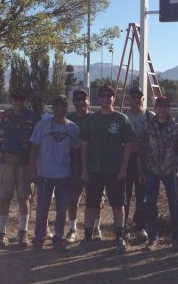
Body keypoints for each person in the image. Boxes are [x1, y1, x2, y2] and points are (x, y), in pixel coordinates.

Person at [76, 85, 135, 255]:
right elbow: (85, 145)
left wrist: (124, 167)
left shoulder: (122, 119)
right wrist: (84, 168)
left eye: (109, 95)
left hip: (115, 171)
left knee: (118, 205)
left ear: (114, 98)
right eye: (102, 95)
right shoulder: (91, 120)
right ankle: (87, 238)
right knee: (91, 205)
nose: (106, 98)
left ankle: (119, 238)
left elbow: (128, 145)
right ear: (98, 98)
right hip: (94, 170)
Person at [29, 95, 81, 251]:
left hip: (64, 174)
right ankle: (39, 237)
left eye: (63, 106)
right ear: (52, 108)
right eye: (56, 106)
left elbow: (76, 153)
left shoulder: (73, 128)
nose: (59, 109)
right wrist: (33, 170)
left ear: (67, 109)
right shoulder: (42, 125)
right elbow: (34, 148)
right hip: (45, 173)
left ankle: (59, 236)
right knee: (42, 207)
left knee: (62, 208)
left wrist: (75, 173)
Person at [0, 89, 37, 249]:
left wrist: (24, 158)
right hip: (6, 164)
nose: (18, 102)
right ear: (11, 100)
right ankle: (1, 233)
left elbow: (34, 142)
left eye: (21, 99)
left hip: (24, 164)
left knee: (24, 198)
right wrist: (3, 155)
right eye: (15, 98)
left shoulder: (32, 118)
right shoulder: (2, 117)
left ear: (25, 101)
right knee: (4, 197)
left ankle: (23, 232)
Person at [138, 95, 178, 251]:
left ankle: (177, 237)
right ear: (155, 108)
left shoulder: (176, 128)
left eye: (165, 106)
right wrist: (141, 170)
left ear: (169, 108)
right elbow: (142, 150)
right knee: (150, 204)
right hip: (152, 170)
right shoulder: (148, 127)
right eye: (159, 106)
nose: (162, 109)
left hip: (170, 170)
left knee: (175, 204)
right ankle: (153, 238)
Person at [123, 86, 153, 242]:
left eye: (139, 97)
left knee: (142, 196)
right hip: (126, 161)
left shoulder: (149, 116)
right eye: (133, 97)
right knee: (125, 196)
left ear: (143, 99)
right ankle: (123, 226)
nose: (136, 100)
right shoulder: (123, 116)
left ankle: (140, 227)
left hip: (144, 162)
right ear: (129, 99)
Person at [66, 88, 91, 243]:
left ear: (88, 101)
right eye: (77, 99)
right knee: (73, 198)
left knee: (95, 199)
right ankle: (73, 229)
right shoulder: (68, 119)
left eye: (83, 99)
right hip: (74, 163)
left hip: (93, 163)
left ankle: (95, 228)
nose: (81, 102)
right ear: (73, 102)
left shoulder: (95, 118)